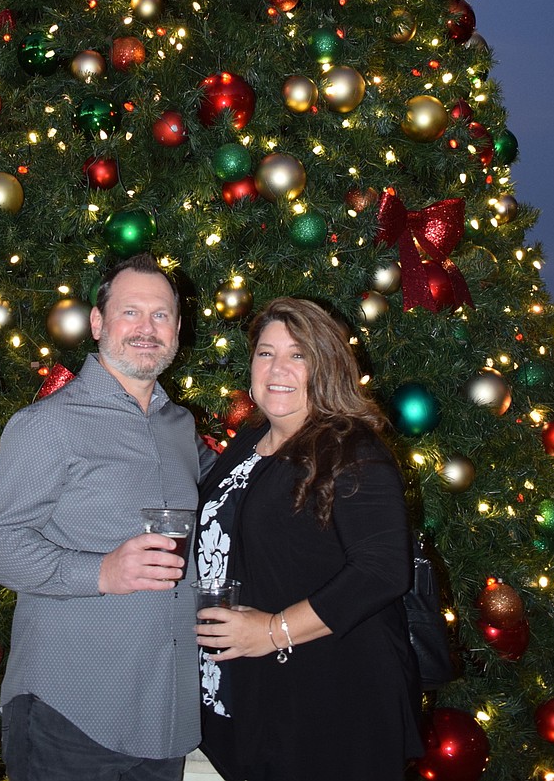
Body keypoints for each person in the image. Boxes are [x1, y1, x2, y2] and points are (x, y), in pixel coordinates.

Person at [0, 254, 213, 781]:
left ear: (176, 329)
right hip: (72, 714)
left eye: (162, 315)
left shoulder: (180, 428)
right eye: (131, 313)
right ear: (99, 323)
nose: (147, 329)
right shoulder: (47, 425)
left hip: (165, 715)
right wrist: (100, 572)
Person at [195, 297, 424, 781]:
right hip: (255, 695)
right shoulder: (249, 441)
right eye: (265, 353)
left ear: (328, 366)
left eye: (298, 355)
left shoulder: (351, 449)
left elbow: (382, 571)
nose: (278, 368)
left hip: (332, 703)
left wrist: (271, 630)